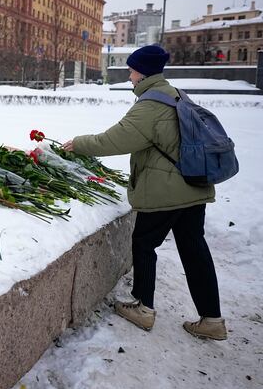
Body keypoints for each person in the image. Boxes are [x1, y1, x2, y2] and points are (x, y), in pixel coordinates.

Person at [62, 45, 226, 340]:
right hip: (193, 185)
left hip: (167, 190)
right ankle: (212, 319)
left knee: (143, 242)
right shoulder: (175, 94)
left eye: (132, 69)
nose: (129, 75)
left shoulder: (150, 105)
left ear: (142, 72)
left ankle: (144, 308)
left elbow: (115, 140)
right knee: (194, 249)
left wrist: (79, 143)